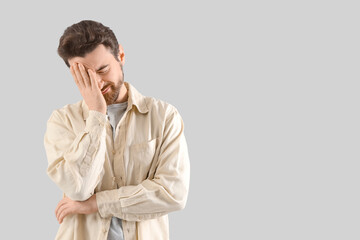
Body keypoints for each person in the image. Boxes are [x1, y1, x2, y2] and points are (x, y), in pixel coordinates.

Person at [44, 20, 190, 240]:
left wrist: (97, 203)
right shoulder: (62, 121)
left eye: (103, 69)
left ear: (120, 56)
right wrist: (96, 115)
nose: (99, 83)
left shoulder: (164, 117)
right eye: (85, 75)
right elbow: (78, 189)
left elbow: (173, 193)